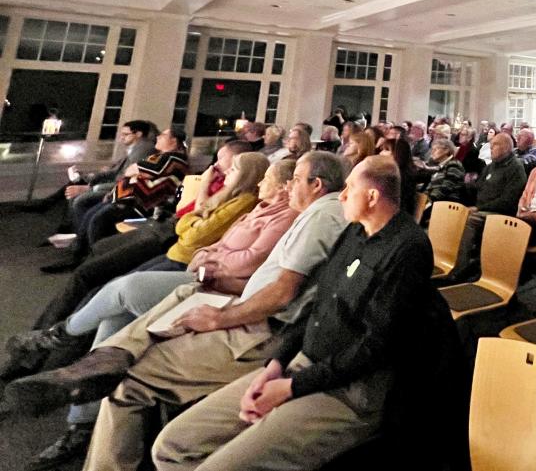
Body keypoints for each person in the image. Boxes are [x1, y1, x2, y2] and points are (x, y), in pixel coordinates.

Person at [2, 152, 350, 471]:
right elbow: (200, 233)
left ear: (316, 185)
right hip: (229, 296)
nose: (285, 186)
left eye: (294, 179)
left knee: (125, 362)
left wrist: (217, 304)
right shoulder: (300, 212)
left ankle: (78, 362)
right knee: (125, 296)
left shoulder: (321, 213)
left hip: (249, 323)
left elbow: (277, 288)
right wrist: (210, 263)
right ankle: (94, 362)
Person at [149, 155, 467, 471]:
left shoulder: (407, 248)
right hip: (302, 366)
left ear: (372, 197)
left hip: (348, 392)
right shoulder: (354, 233)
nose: (341, 195)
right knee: (172, 447)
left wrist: (290, 388)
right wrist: (274, 366)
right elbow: (317, 307)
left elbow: (375, 347)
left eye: (350, 188)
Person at [67, 127, 189, 267]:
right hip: (128, 199)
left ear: (174, 141)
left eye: (163, 135)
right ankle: (81, 254)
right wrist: (118, 189)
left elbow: (138, 171)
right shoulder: (159, 157)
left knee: (98, 219)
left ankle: (96, 262)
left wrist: (136, 173)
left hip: (142, 205)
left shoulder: (174, 158)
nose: (158, 137)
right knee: (91, 213)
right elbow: (130, 172)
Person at [58, 120, 157, 236]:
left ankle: (80, 235)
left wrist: (91, 187)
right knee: (74, 188)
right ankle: (74, 230)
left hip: (120, 190)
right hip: (114, 186)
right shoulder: (136, 148)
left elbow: (128, 179)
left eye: (125, 134)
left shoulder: (143, 148)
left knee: (80, 200)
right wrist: (90, 178)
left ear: (138, 134)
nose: (121, 138)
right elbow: (115, 171)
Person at [449, 133, 527, 278]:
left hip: (500, 213)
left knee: (469, 221)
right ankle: (448, 262)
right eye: (490, 145)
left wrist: (479, 208)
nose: (491, 148)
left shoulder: (515, 167)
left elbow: (508, 200)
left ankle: (459, 269)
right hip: (482, 210)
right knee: (453, 214)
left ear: (507, 147)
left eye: (495, 145)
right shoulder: (491, 166)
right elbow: (477, 187)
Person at [423, 138, 467, 212]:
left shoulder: (454, 165)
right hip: (435, 201)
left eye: (435, 149)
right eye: (432, 149)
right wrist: (423, 198)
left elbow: (445, 189)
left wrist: (428, 201)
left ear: (446, 150)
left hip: (446, 205)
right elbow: (431, 187)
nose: (432, 152)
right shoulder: (440, 166)